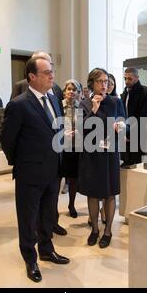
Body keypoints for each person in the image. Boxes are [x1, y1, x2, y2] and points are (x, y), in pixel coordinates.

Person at [1, 57, 70, 283]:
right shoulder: (19, 104)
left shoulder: (54, 99)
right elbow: (7, 140)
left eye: (52, 71)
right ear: (32, 76)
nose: (52, 75)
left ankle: (47, 250)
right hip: (29, 173)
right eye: (47, 72)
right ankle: (30, 259)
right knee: (28, 219)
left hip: (53, 171)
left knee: (47, 215)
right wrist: (23, 163)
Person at [78, 68, 126, 249]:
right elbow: (82, 129)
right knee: (93, 192)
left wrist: (120, 127)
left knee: (110, 192)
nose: (104, 85)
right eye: (100, 81)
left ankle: (107, 231)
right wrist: (94, 110)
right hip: (91, 153)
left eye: (106, 81)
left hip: (109, 153)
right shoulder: (84, 103)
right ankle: (95, 230)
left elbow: (125, 124)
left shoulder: (115, 101)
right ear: (92, 84)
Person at [120, 67, 147, 168]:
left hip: (137, 134)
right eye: (125, 78)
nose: (126, 81)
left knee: (136, 165)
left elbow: (143, 116)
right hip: (125, 133)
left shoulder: (146, 92)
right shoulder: (124, 93)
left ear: (137, 78)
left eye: (129, 79)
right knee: (125, 163)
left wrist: (129, 132)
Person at [60, 79, 82, 218]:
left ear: (78, 93)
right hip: (60, 147)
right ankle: (52, 207)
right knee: (57, 178)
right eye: (69, 89)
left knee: (73, 179)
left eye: (74, 90)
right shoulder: (57, 105)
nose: (71, 92)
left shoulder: (81, 107)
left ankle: (72, 205)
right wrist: (62, 133)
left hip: (75, 147)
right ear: (64, 92)